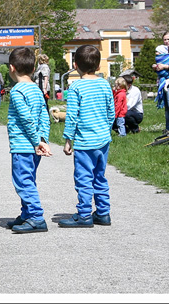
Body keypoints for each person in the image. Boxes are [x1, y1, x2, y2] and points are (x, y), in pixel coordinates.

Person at [59, 44, 115, 228]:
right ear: (99, 66)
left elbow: (72, 116)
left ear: (75, 65)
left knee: (84, 178)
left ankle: (84, 215)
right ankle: (103, 213)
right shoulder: (105, 85)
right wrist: (104, 129)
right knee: (100, 177)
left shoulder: (76, 87)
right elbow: (111, 113)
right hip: (103, 141)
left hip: (85, 143)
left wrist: (68, 139)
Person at [5, 46, 53, 234]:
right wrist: (43, 140)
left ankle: (36, 217)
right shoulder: (36, 89)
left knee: (23, 182)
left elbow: (26, 119)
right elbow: (44, 117)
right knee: (29, 180)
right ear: (34, 69)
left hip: (23, 146)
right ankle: (26, 214)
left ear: (11, 68)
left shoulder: (17, 92)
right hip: (35, 146)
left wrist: (35, 141)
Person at [154, 44, 169, 109]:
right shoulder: (158, 58)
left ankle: (165, 85)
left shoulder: (167, 58)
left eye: (158, 52)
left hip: (167, 75)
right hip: (161, 75)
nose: (156, 53)